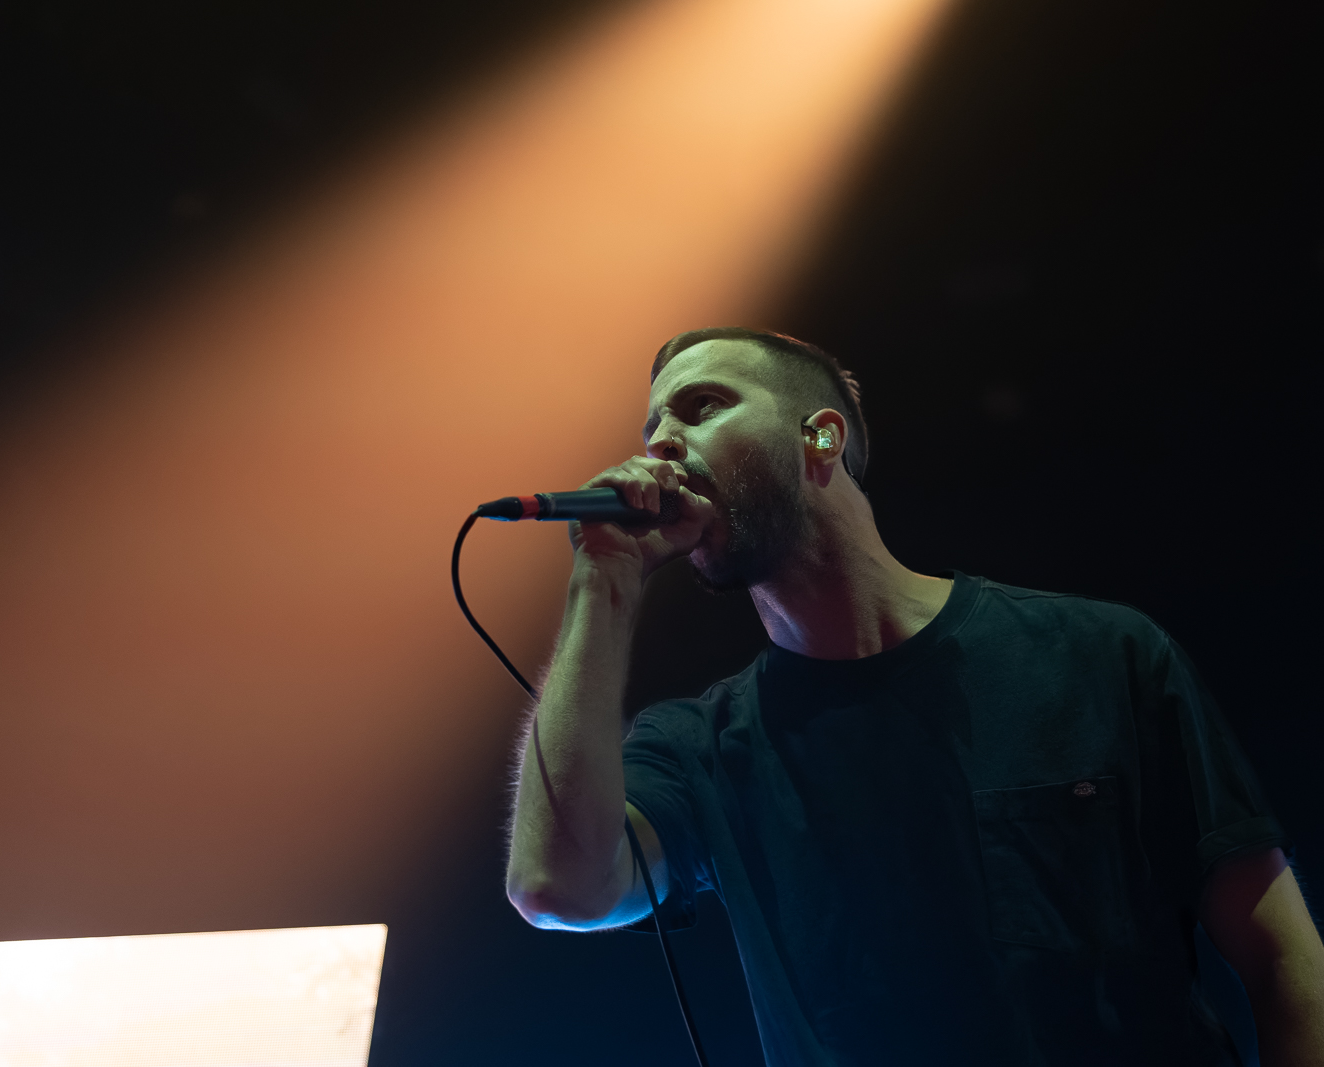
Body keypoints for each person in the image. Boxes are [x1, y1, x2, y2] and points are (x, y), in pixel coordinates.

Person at [505, 327, 1324, 1066]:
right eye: (651, 427)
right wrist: (603, 579)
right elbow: (555, 887)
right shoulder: (702, 749)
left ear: (819, 436)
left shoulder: (1100, 655)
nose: (660, 445)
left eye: (702, 407)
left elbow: (1283, 958)